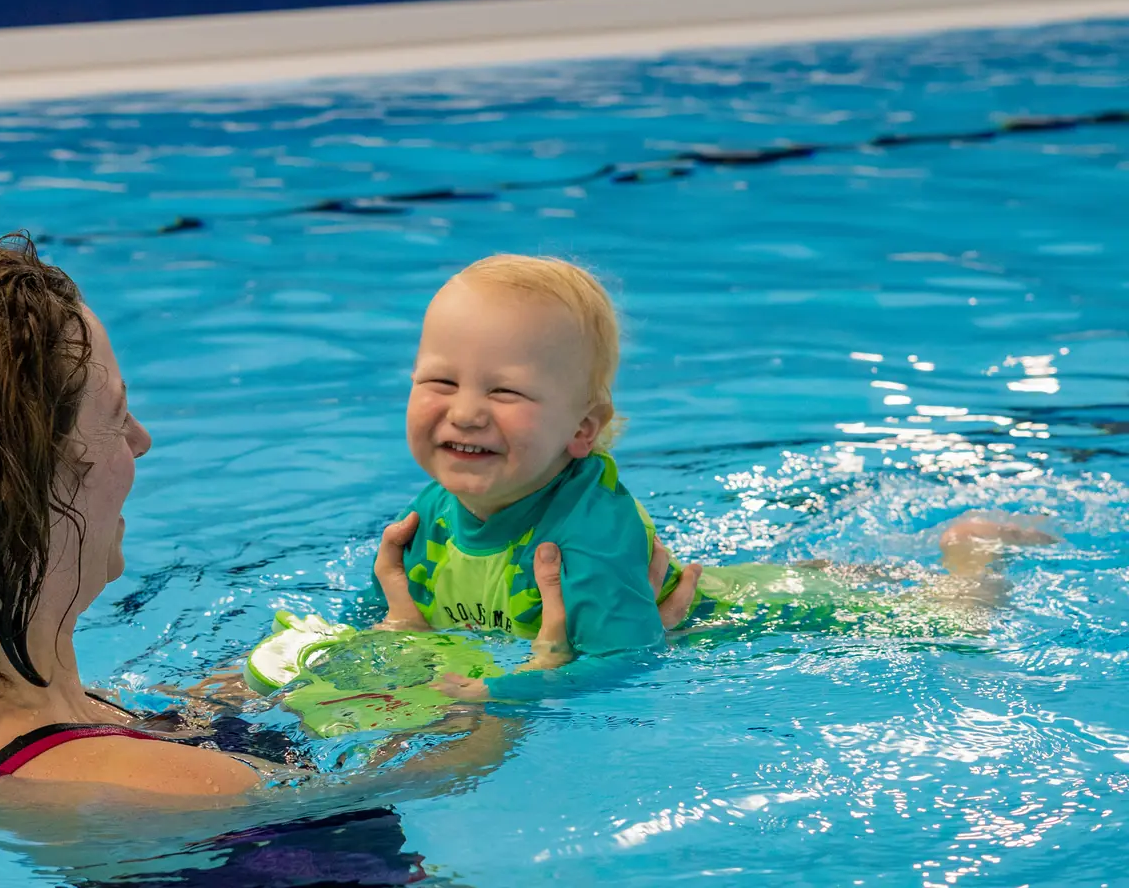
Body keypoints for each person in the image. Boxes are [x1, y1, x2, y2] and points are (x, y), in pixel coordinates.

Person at [0, 235, 532, 816]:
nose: (140, 441)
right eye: (115, 415)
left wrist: (290, 682)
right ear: (38, 481)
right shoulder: (183, 792)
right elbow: (435, 776)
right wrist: (517, 692)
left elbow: (121, 739)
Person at [368, 254, 1056, 702]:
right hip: (715, 590)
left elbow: (628, 663)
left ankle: (972, 547)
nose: (465, 412)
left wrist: (502, 695)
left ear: (582, 430)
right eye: (440, 380)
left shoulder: (585, 532)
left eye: (506, 393)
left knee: (955, 619)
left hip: (743, 620)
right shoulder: (436, 507)